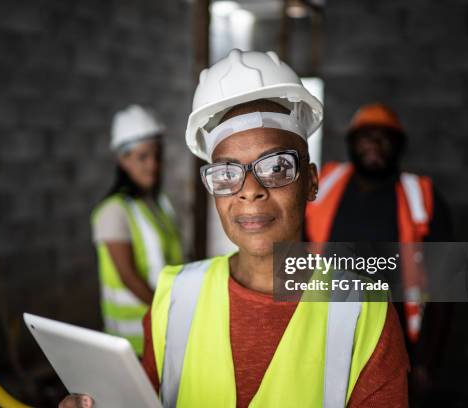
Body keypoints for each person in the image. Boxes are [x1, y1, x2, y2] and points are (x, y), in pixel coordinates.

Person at [62, 50, 408, 408]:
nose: (249, 189)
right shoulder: (174, 295)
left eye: (276, 166)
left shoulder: (363, 311)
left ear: (311, 182)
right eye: (227, 173)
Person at [305, 103, 454, 397]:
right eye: (365, 137)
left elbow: (445, 286)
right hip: (322, 332)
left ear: (399, 146)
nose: (374, 144)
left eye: (384, 137)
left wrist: (427, 362)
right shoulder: (325, 183)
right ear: (351, 143)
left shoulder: (422, 196)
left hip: (393, 341)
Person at [90, 105, 182, 355]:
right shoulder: (113, 212)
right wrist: (171, 314)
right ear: (123, 160)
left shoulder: (159, 205)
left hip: (164, 332)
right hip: (134, 341)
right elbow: (129, 277)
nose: (152, 164)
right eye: (143, 157)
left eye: (157, 155)